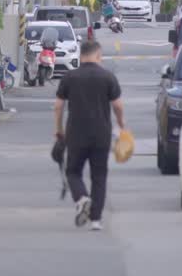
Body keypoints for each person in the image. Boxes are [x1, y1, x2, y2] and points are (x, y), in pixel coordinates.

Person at [54, 40, 126, 231]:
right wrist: (121, 125)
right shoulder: (107, 77)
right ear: (97, 55)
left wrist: (59, 130)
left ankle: (81, 198)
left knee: (73, 171)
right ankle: (96, 220)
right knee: (99, 176)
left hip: (76, 134)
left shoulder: (70, 77)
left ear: (81, 55)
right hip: (101, 134)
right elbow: (118, 106)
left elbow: (58, 106)